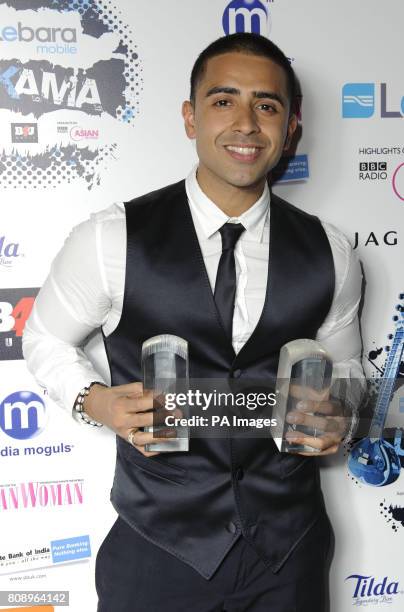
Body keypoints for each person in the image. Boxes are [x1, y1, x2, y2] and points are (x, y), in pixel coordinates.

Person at [23, 33, 364, 612]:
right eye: (224, 100)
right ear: (190, 116)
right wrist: (96, 401)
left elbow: (349, 371)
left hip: (291, 553)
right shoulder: (111, 237)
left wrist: (344, 415)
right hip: (158, 550)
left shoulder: (331, 252)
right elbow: (44, 338)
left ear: (290, 129)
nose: (246, 124)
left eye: (267, 105)